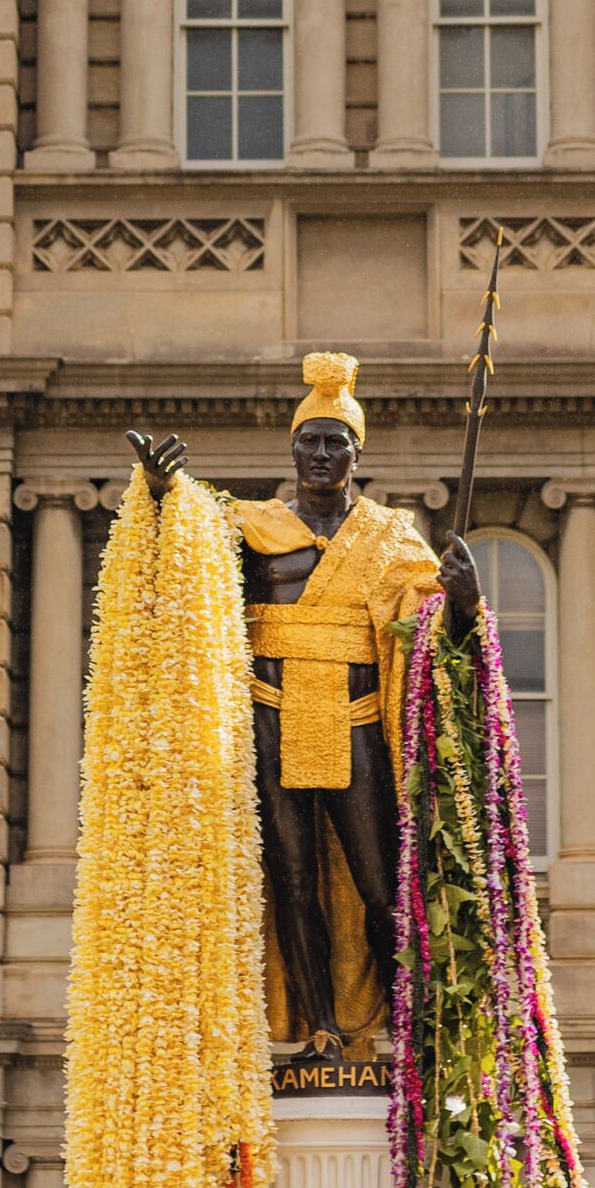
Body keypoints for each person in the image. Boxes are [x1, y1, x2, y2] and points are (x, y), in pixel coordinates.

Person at [131, 352, 477, 1059]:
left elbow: (431, 631)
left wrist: (465, 601)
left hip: (353, 722)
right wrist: (161, 501)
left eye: (335, 442)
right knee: (292, 879)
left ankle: (404, 1017)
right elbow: (184, 576)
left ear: (357, 452)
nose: (321, 455)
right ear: (292, 449)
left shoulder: (390, 535)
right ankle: (318, 1020)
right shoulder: (249, 525)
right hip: (271, 714)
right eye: (310, 442)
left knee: (378, 882)